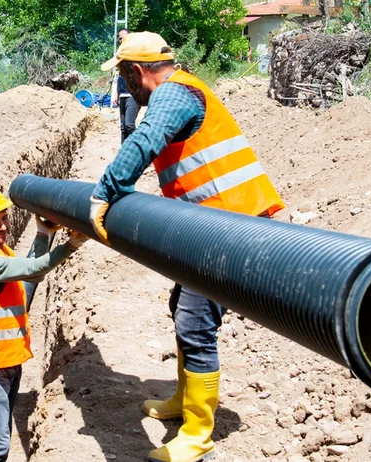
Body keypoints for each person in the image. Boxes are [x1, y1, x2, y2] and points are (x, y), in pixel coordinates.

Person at [87, 32, 285, 462]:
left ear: (136, 72)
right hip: (211, 223)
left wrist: (106, 191)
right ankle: (183, 399)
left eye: (123, 76)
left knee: (196, 323)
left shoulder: (174, 96)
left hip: (231, 226)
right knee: (182, 306)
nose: (124, 87)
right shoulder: (180, 90)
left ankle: (198, 434)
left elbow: (144, 141)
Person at [0, 185, 88, 462]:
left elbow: (28, 283)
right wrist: (71, 245)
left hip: (7, 365)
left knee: (0, 438)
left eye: (5, 217)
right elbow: (34, 269)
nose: (4, 226)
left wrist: (43, 234)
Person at [114, 28, 139, 143]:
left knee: (129, 125)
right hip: (123, 94)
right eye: (119, 38)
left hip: (133, 94)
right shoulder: (120, 54)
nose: (120, 40)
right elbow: (118, 76)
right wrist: (116, 94)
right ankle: (124, 153)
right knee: (123, 127)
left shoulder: (136, 52)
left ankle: (143, 147)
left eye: (123, 37)